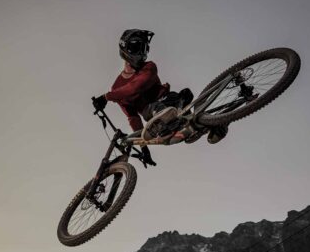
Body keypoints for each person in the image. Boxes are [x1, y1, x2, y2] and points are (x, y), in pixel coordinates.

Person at [92, 29, 228, 166]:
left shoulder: (149, 67)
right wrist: (144, 149)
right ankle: (172, 121)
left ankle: (213, 123)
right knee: (151, 108)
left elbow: (135, 87)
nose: (141, 53)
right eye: (137, 47)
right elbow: (133, 117)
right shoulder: (117, 87)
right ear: (125, 48)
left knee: (185, 96)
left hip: (168, 100)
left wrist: (106, 97)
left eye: (144, 48)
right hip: (151, 112)